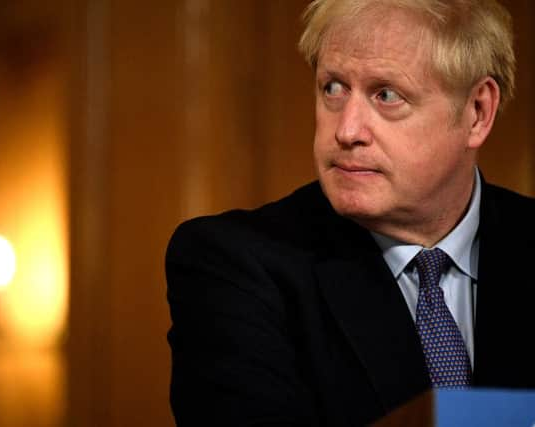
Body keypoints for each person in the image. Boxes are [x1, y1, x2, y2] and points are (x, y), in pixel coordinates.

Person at [165, 0, 535, 425]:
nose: (346, 130)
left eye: (386, 95)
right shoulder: (233, 264)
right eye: (333, 88)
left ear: (477, 112)